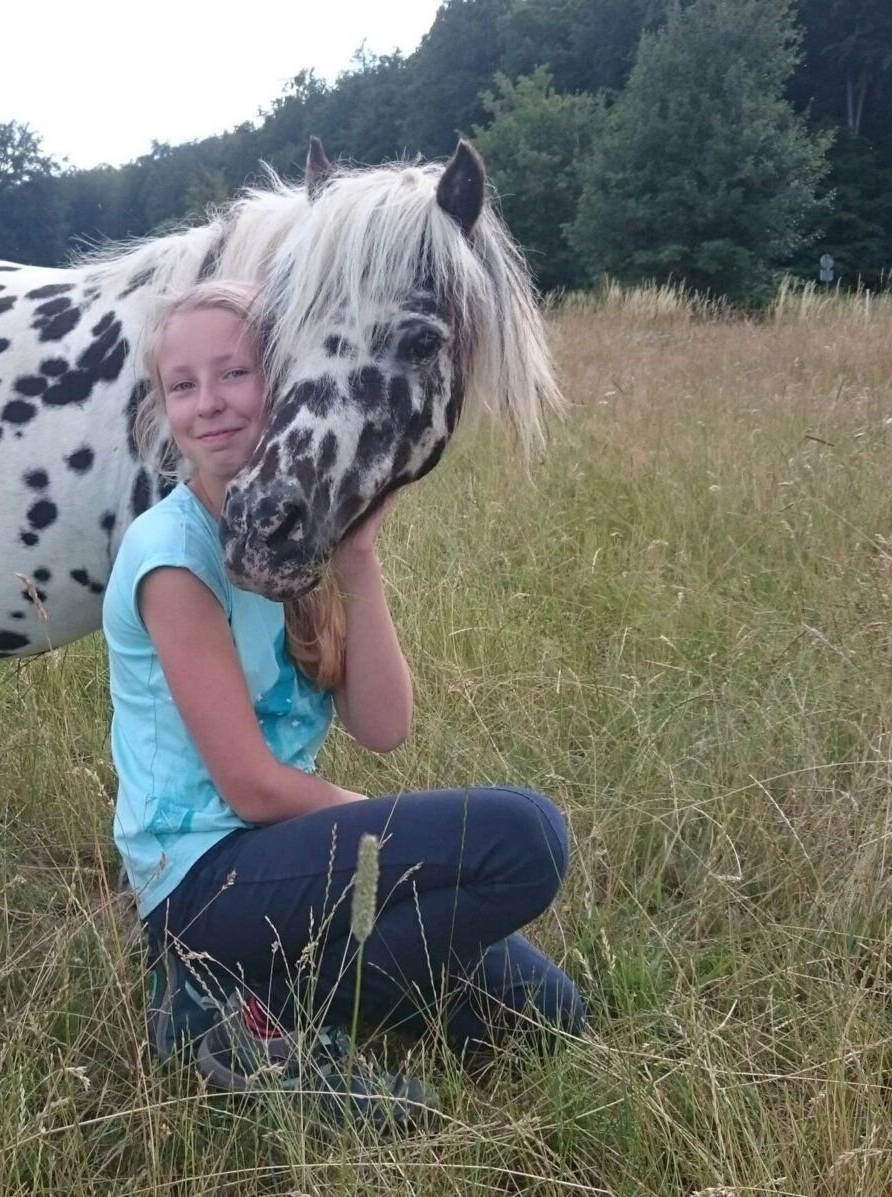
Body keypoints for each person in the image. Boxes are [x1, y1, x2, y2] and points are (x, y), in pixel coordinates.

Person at [103, 280, 585, 1129]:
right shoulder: (173, 557)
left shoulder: (295, 522)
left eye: (234, 375)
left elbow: (383, 725)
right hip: (205, 883)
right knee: (526, 837)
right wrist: (371, 828)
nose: (208, 404)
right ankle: (225, 1001)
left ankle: (262, 998)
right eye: (183, 385)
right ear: (164, 403)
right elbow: (251, 787)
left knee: (553, 1018)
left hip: (286, 859)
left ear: (284, 382)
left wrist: (357, 559)